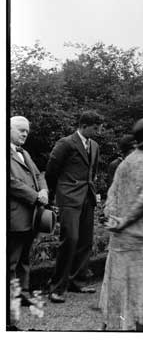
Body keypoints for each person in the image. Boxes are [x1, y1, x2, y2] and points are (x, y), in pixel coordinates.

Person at [99, 117, 143, 330]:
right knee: (142, 292)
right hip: (142, 241)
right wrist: (124, 221)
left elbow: (112, 195)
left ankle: (112, 328)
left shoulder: (126, 162)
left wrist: (113, 220)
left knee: (118, 288)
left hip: (122, 241)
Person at [46, 111, 103, 303]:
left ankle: (77, 282)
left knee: (85, 241)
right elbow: (52, 170)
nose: (99, 131)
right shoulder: (66, 143)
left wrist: (92, 190)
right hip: (69, 197)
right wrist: (58, 192)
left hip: (88, 196)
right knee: (70, 239)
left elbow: (92, 171)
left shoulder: (94, 146)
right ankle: (56, 287)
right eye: (96, 127)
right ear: (84, 125)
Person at [9, 116, 49, 307]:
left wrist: (44, 190)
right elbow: (11, 183)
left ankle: (23, 293)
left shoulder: (25, 153)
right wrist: (35, 195)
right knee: (11, 259)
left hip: (30, 215)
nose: (25, 134)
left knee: (25, 257)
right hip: (14, 215)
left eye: (26, 131)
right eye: (20, 130)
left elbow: (39, 174)